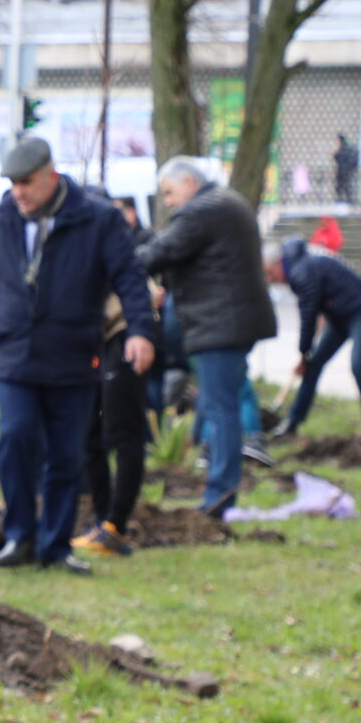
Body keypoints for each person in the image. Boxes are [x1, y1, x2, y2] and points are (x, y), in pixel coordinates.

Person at [0, 136, 156, 574]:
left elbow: (129, 278)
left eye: (28, 182)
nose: (20, 191)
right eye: (13, 183)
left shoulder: (97, 220)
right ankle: (20, 535)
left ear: (51, 175)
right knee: (15, 440)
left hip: (74, 358)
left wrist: (140, 330)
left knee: (66, 455)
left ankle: (55, 547)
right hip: (15, 358)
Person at [137, 156, 275, 516]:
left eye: (169, 192)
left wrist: (115, 264)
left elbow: (159, 253)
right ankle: (220, 491)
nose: (166, 202)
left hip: (219, 325)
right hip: (232, 322)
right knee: (222, 405)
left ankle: (218, 497)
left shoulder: (201, 211)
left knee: (220, 409)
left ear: (189, 183)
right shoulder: (226, 203)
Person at [75, 198, 154, 558]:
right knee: (89, 433)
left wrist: (140, 333)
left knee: (124, 430)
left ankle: (116, 525)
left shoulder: (110, 241)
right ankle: (101, 521)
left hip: (123, 335)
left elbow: (134, 283)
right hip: (95, 339)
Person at [269, 237, 361, 434]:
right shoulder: (301, 266)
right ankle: (292, 423)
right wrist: (306, 356)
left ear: (278, 263)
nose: (271, 278)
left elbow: (308, 315)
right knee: (313, 366)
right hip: (339, 316)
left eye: (270, 273)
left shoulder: (301, 272)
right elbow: (316, 310)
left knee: (357, 363)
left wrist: (303, 352)